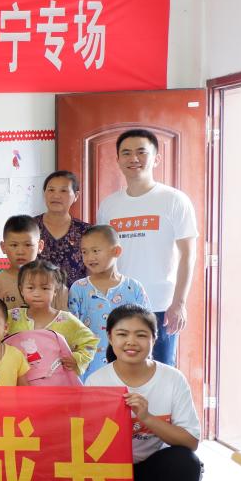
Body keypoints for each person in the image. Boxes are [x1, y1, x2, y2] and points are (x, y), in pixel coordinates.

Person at [86, 304, 202, 481]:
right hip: (108, 472)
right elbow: (85, 442)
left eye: (141, 335)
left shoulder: (172, 379)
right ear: (110, 337)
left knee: (187, 462)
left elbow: (191, 441)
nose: (131, 342)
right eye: (122, 334)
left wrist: (147, 418)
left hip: (150, 472)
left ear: (154, 338)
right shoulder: (97, 381)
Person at [96, 129, 198, 366]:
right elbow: (102, 256)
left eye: (141, 152)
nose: (134, 158)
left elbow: (188, 255)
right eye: (126, 153)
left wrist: (179, 302)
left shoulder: (174, 200)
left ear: (156, 158)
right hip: (118, 304)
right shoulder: (109, 205)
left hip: (160, 305)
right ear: (118, 159)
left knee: (160, 372)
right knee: (117, 373)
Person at [68, 225, 150, 380]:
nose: (89, 257)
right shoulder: (79, 288)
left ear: (116, 251)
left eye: (95, 251)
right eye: (84, 252)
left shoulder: (134, 288)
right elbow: (71, 329)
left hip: (127, 369)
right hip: (88, 371)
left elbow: (146, 329)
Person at [6, 260, 98, 375]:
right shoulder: (11, 317)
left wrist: (76, 358)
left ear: (55, 290)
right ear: (21, 290)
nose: (37, 293)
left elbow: (90, 341)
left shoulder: (66, 320)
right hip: (17, 381)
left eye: (45, 288)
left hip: (55, 382)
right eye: (30, 287)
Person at [0, 215, 67, 310]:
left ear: (40, 246)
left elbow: (64, 317)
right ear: (3, 247)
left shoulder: (55, 283)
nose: (20, 252)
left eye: (28, 245)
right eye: (14, 245)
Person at [36, 170, 90, 285]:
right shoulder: (29, 227)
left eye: (63, 190)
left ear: (76, 196)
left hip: (77, 295)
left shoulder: (86, 231)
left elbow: (94, 270)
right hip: (35, 295)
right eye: (51, 190)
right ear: (44, 194)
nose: (56, 195)